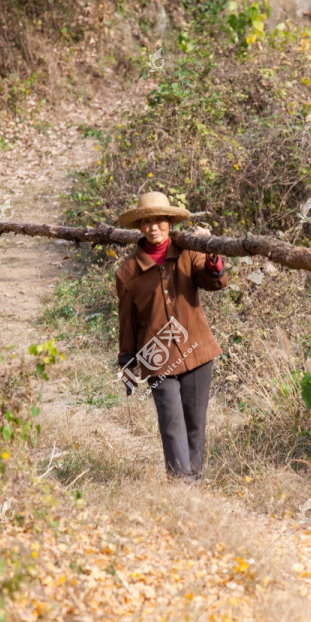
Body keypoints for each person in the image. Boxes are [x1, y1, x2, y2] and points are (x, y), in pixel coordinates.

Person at [115, 191, 228, 482]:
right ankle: (180, 485)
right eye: (147, 221)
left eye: (160, 220)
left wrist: (212, 251)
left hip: (198, 350)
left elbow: (212, 281)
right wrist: (127, 362)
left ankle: (194, 484)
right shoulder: (128, 272)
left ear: (169, 222)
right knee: (171, 423)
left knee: (194, 423)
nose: (154, 227)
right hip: (158, 358)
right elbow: (127, 322)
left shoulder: (188, 250)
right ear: (140, 226)